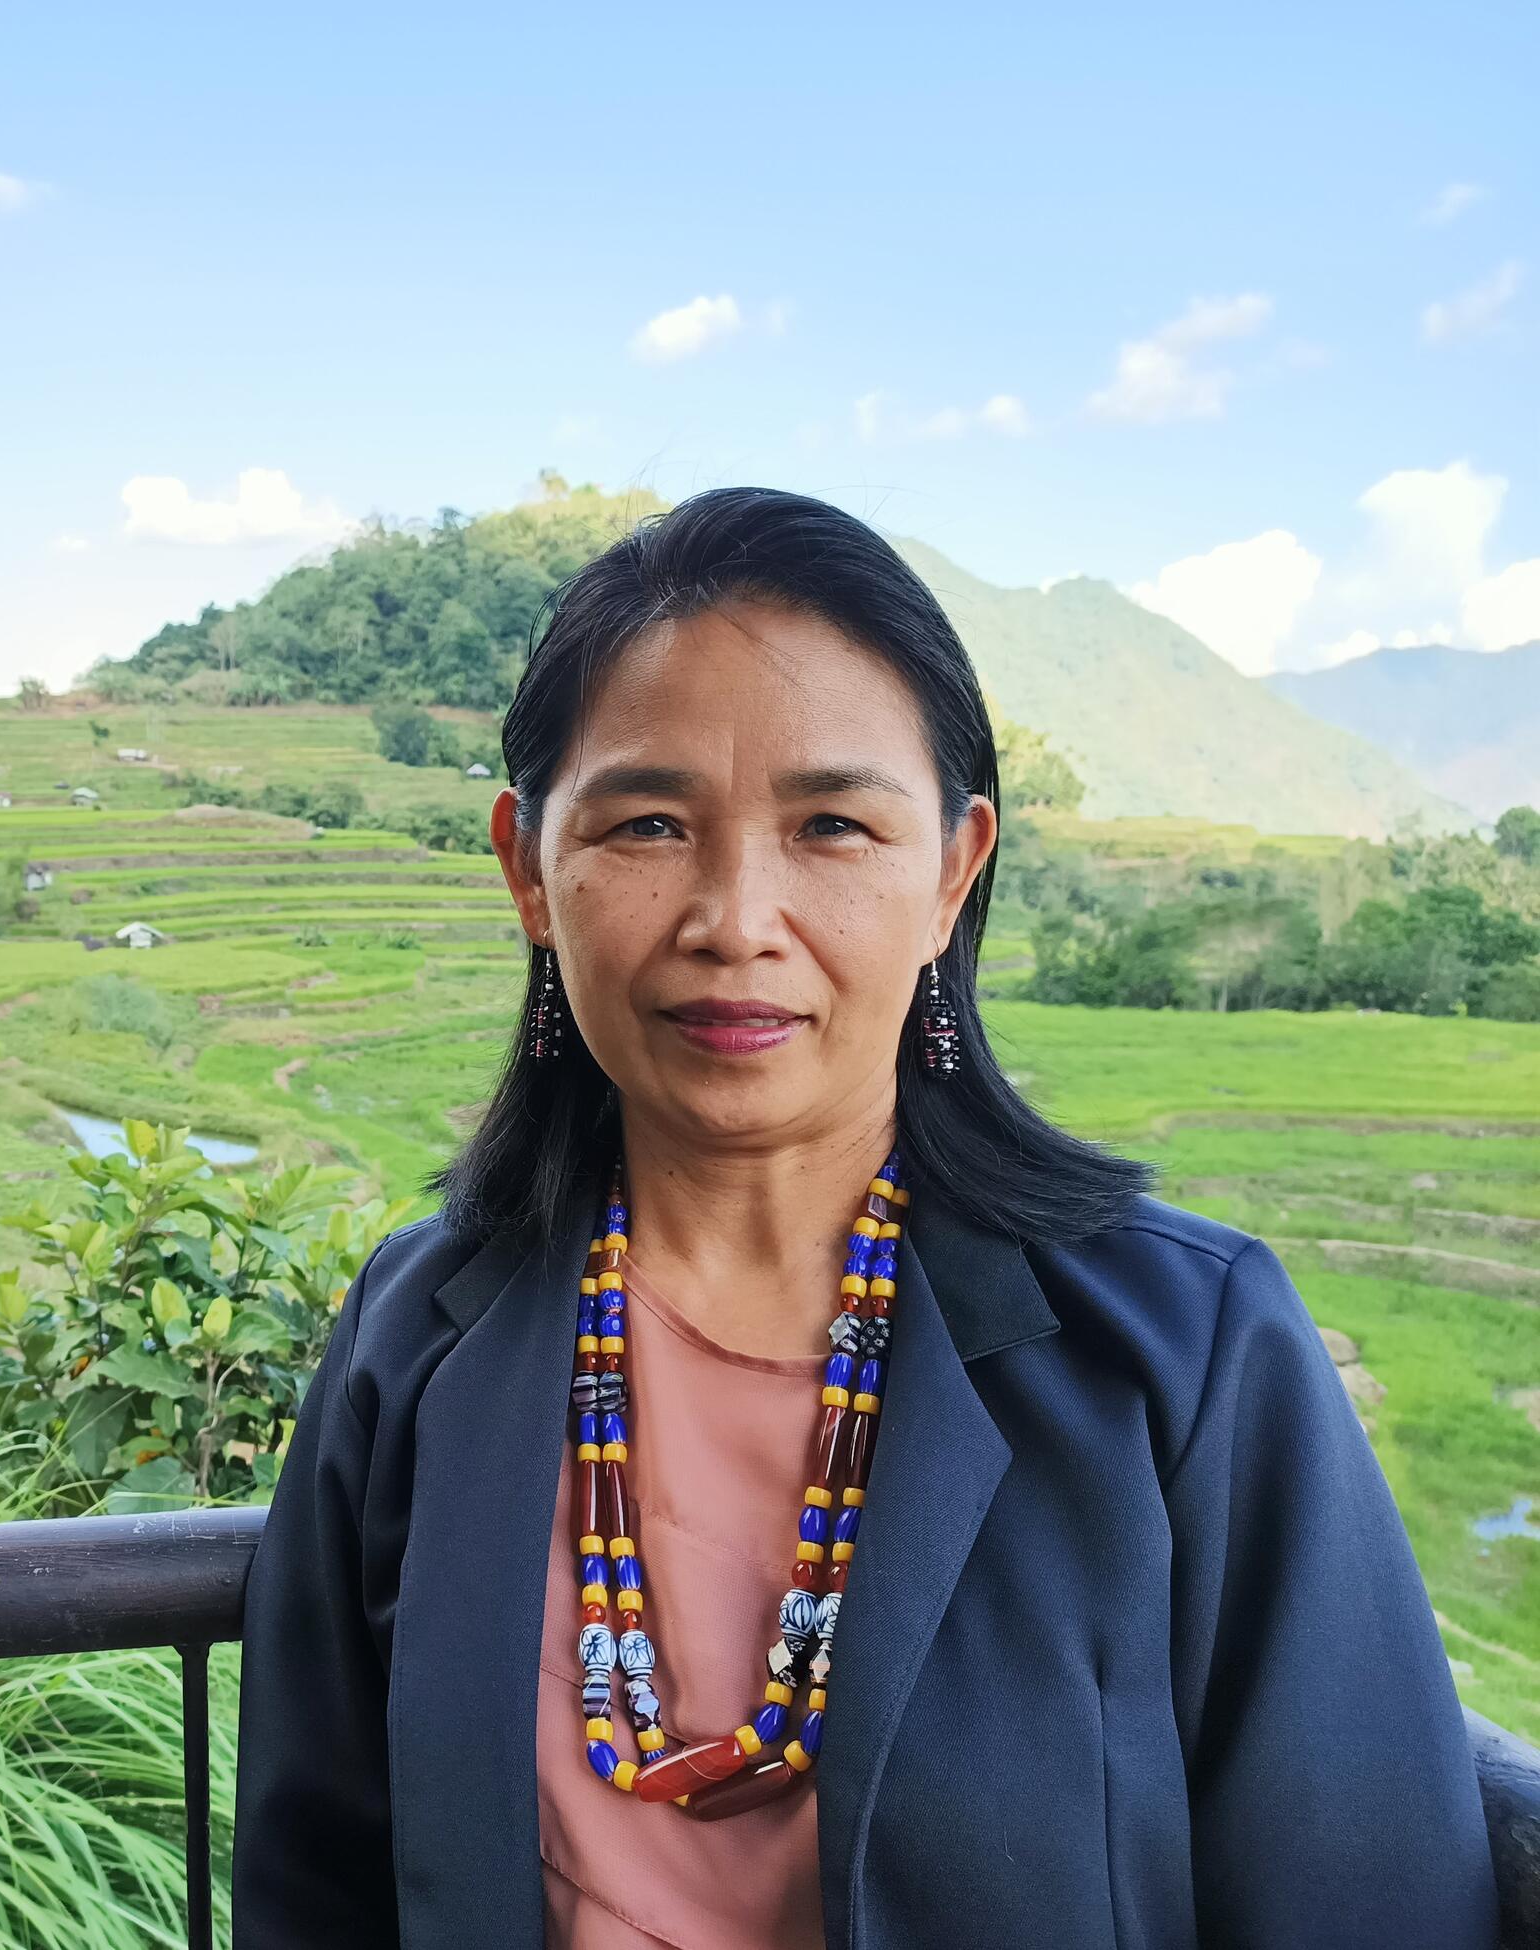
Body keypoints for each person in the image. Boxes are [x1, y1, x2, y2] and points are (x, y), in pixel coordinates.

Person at [231, 488, 1494, 1949]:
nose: (735, 919)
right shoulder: (413, 1340)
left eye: (831, 824)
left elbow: (1368, 1896)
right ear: (529, 866)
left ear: (952, 870)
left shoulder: (1188, 1355)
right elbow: (313, 1887)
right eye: (648, 823)